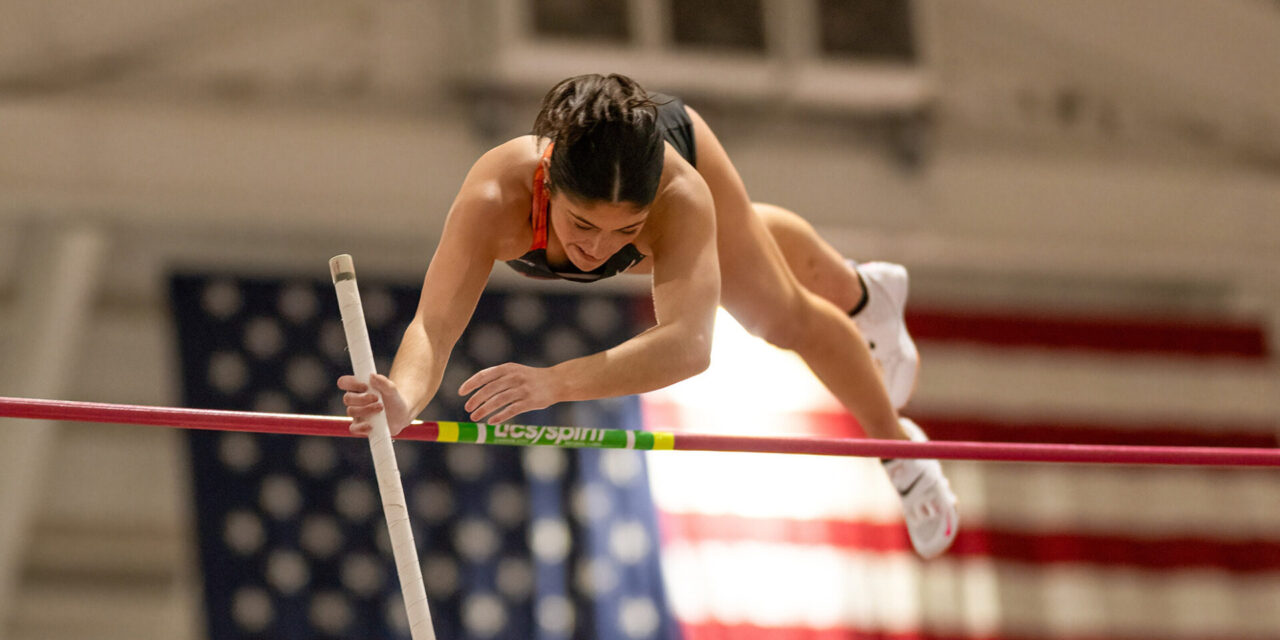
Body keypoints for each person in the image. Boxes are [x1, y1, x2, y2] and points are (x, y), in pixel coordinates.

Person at [338, 73, 958, 558]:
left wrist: (557, 382)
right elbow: (436, 324)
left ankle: (900, 448)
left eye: (622, 229)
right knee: (741, 245)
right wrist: (407, 400)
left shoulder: (681, 196)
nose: (598, 249)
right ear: (546, 180)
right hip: (642, 215)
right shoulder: (493, 195)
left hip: (681, 149)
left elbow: (689, 344)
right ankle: (861, 289)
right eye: (582, 223)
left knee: (776, 317)